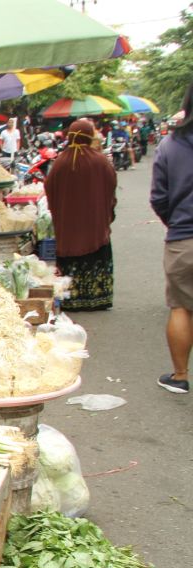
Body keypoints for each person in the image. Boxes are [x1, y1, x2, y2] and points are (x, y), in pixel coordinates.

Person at [44, 118, 117, 311]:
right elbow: (111, 186)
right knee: (95, 257)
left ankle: (71, 299)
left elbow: (49, 187)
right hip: (94, 225)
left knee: (71, 261)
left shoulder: (60, 162)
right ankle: (98, 298)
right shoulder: (100, 160)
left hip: (68, 226)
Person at [150, 83, 193, 394]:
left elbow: (159, 197)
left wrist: (175, 223)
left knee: (181, 307)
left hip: (183, 238)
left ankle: (180, 376)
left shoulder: (170, 144)